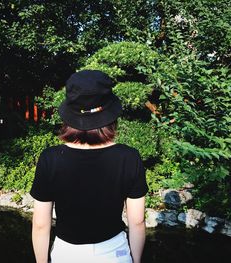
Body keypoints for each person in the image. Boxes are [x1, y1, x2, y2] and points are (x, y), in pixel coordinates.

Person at [30, 70, 148, 263]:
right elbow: (137, 221)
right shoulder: (129, 157)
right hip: (114, 252)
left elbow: (41, 225)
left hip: (66, 254)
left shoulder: (50, 158)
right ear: (110, 114)